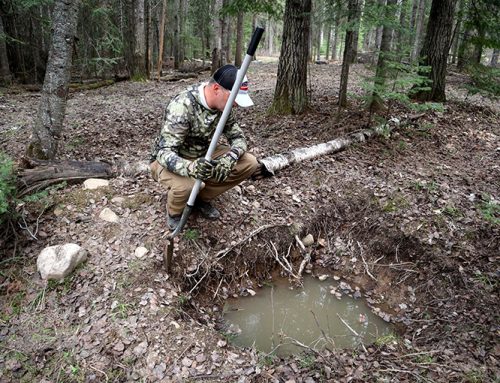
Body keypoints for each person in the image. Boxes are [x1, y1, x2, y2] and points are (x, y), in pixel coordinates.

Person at [150, 64, 259, 230]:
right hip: (172, 159)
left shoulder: (224, 107)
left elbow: (238, 137)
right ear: (216, 89)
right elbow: (164, 152)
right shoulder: (183, 105)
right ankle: (174, 212)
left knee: (249, 162)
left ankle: (199, 198)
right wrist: (191, 167)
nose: (236, 104)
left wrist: (232, 156)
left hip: (202, 154)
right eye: (234, 98)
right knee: (188, 184)